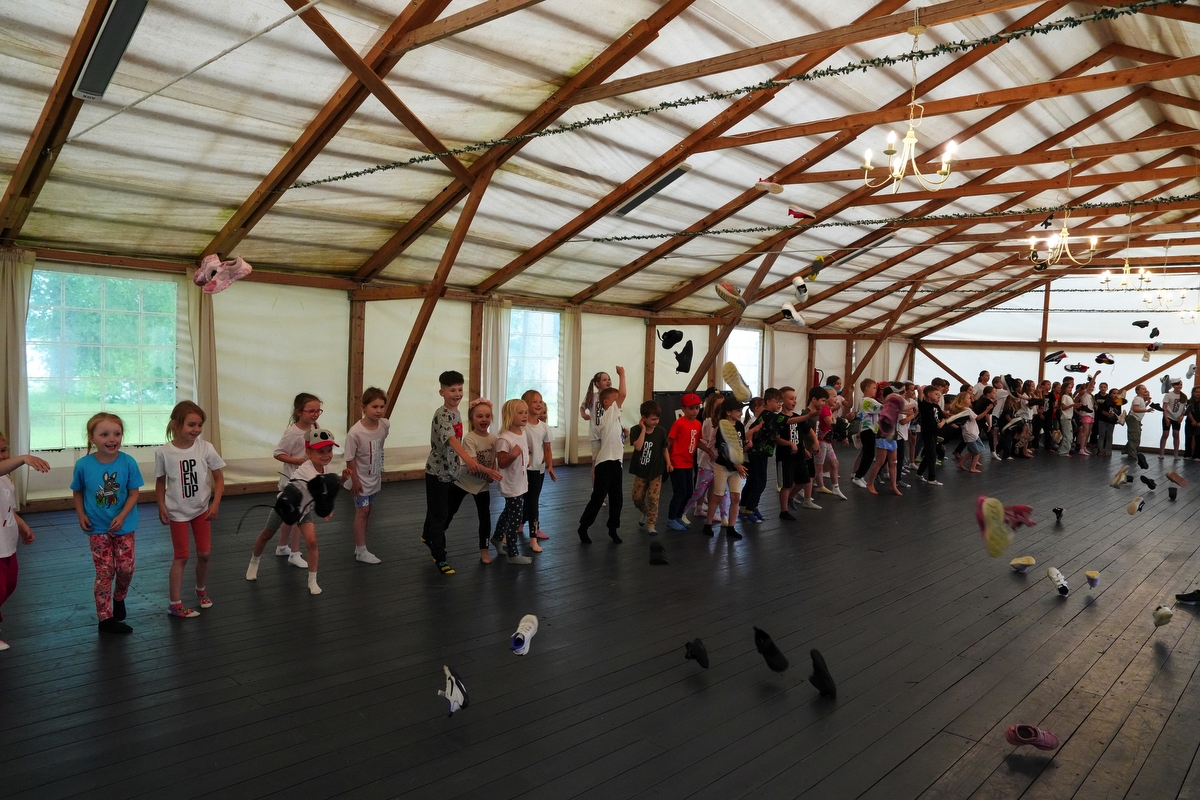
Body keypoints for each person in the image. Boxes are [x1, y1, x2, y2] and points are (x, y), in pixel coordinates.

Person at [71, 413, 143, 635]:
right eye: (104, 434)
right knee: (105, 571)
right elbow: (78, 491)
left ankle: (119, 597)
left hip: (124, 525)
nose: (112, 439)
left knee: (125, 568)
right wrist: (81, 514)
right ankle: (105, 618)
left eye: (117, 434)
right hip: (97, 527)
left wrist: (122, 516)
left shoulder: (128, 462)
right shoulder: (83, 465)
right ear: (91, 438)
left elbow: (134, 493)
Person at [154, 401, 225, 619]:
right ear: (176, 424)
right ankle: (175, 604)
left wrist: (215, 503)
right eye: (191, 425)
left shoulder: (206, 448)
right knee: (182, 556)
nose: (196, 429)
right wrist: (161, 505)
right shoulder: (164, 452)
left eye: (199, 425)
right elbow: (160, 482)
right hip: (177, 513)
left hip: (201, 510)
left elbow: (219, 478)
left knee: (205, 553)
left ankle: (200, 589)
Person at [247, 426, 337, 595]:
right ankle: (254, 562)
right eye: (321, 452)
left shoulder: (325, 468)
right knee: (266, 534)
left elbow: (325, 491)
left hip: (303, 510)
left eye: (329, 450)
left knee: (312, 541)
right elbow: (320, 491)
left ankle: (312, 580)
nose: (326, 455)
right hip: (286, 506)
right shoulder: (307, 470)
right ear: (309, 453)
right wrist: (327, 507)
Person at [422, 370, 484, 576]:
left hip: (451, 471)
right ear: (442, 392)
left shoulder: (456, 413)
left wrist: (458, 460)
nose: (457, 394)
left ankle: (427, 534)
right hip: (437, 472)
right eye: (452, 390)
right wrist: (468, 459)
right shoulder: (442, 415)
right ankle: (439, 556)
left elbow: (455, 439)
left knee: (442, 509)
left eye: (459, 389)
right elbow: (451, 439)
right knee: (440, 514)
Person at [0, 432, 49, 650]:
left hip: (7, 544)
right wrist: (23, 458)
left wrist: (22, 525)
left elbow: (7, 507)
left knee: (9, 586)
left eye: (3, 450)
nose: (2, 456)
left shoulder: (5, 478)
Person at [446, 398, 503, 563]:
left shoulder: (494, 439)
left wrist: (493, 471)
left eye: (487, 416)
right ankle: (436, 536)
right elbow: (474, 465)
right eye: (479, 416)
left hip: (482, 485)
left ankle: (484, 550)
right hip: (463, 482)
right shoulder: (469, 439)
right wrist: (490, 472)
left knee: (484, 517)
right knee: (450, 511)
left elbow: (493, 458)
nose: (484, 419)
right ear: (472, 419)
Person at [270, 393, 322, 569]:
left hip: (305, 480)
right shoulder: (292, 432)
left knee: (289, 516)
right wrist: (297, 461)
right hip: (293, 481)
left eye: (318, 411)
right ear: (299, 412)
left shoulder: (315, 427)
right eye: (311, 411)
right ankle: (294, 552)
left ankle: (282, 546)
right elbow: (278, 453)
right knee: (298, 516)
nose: (315, 414)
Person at [579, 366, 627, 543]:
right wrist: (622, 375)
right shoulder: (607, 416)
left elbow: (617, 438)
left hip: (616, 463)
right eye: (615, 400)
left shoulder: (614, 419)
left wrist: (624, 433)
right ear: (607, 403)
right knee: (598, 498)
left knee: (617, 500)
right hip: (605, 463)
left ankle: (613, 529)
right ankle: (583, 527)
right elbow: (623, 394)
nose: (618, 403)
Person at [343, 387, 390, 564]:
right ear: (363, 407)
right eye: (374, 407)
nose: (378, 410)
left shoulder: (384, 425)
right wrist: (355, 481)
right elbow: (350, 458)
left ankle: (360, 545)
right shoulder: (355, 433)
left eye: (381, 407)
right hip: (360, 480)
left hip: (374, 478)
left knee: (368, 511)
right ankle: (362, 550)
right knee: (362, 512)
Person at [494, 399, 533, 564]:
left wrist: (526, 459)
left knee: (508, 513)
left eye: (526, 412)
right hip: (511, 484)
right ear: (510, 415)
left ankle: (497, 538)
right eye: (520, 412)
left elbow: (523, 452)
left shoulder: (522, 432)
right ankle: (512, 553)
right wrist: (513, 455)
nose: (525, 415)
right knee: (516, 518)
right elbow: (502, 463)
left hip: (520, 481)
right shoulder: (504, 438)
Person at [705, 397, 748, 540]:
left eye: (741, 410)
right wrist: (737, 465)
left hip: (736, 468)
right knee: (717, 496)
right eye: (738, 411)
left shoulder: (739, 426)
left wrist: (746, 446)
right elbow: (724, 451)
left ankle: (731, 527)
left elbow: (740, 444)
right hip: (723, 467)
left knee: (736, 497)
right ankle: (708, 524)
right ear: (728, 412)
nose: (741, 413)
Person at [781, 387, 828, 516]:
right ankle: (786, 509)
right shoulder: (796, 416)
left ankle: (794, 497)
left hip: (803, 452)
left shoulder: (802, 415)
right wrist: (803, 447)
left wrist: (816, 441)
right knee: (788, 482)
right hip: (791, 454)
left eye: (795, 398)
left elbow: (808, 429)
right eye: (791, 398)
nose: (794, 401)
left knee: (806, 477)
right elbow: (792, 428)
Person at [742, 388, 784, 521]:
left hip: (761, 453)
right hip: (756, 454)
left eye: (781, 402)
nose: (780, 404)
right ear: (768, 402)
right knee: (759, 482)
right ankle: (749, 507)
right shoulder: (766, 416)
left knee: (756, 481)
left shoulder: (767, 417)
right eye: (778, 401)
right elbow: (748, 434)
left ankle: (752, 506)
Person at [630, 401, 671, 536]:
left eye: (657, 419)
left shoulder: (661, 431)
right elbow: (638, 447)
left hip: (656, 471)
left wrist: (668, 462)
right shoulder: (635, 430)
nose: (656, 422)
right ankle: (645, 512)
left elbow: (664, 449)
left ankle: (651, 524)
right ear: (644, 418)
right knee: (637, 497)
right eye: (653, 419)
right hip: (641, 471)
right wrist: (643, 430)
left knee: (653, 498)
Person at [687, 392, 728, 526]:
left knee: (716, 487)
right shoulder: (710, 421)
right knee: (701, 488)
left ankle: (713, 511)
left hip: (717, 459)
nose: (721, 406)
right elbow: (710, 441)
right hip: (708, 458)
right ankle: (684, 511)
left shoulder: (720, 421)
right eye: (719, 404)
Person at [520, 390, 555, 543]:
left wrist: (550, 466)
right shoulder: (522, 426)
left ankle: (529, 525)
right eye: (534, 401)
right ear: (526, 404)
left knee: (533, 499)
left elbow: (547, 449)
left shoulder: (544, 427)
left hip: (538, 470)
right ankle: (530, 527)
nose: (539, 404)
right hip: (523, 470)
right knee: (527, 499)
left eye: (540, 401)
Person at [666, 393, 703, 531]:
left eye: (697, 408)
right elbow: (669, 442)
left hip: (688, 463)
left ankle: (678, 516)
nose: (695, 411)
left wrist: (709, 451)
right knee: (680, 492)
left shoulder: (698, 424)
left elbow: (697, 441)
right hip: (677, 462)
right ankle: (671, 519)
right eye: (691, 408)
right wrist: (667, 461)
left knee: (688, 492)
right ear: (683, 409)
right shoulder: (678, 423)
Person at [580, 371, 612, 485]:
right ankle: (596, 488)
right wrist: (583, 414)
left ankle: (606, 487)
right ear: (597, 383)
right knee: (596, 462)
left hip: (608, 435)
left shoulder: (612, 397)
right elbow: (582, 407)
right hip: (596, 436)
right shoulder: (593, 397)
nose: (608, 381)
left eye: (608, 379)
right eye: (604, 380)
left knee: (608, 463)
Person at [851, 379, 882, 488]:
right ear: (867, 388)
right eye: (874, 388)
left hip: (868, 430)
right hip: (868, 430)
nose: (875, 390)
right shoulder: (868, 401)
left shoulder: (865, 401)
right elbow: (883, 408)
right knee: (869, 455)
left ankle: (859, 475)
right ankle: (858, 476)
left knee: (867, 454)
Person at [916, 386, 945, 485]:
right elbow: (920, 392)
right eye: (936, 394)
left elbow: (943, 418)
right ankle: (931, 478)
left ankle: (920, 472)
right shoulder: (924, 405)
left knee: (930, 454)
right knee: (932, 454)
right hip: (927, 432)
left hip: (935, 432)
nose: (938, 397)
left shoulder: (936, 407)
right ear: (929, 394)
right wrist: (918, 388)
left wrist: (941, 423)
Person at [1160, 378, 1186, 457]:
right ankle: (1161, 452)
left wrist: (1182, 416)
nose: (1179, 386)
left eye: (1180, 385)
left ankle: (1176, 453)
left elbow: (1184, 408)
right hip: (1168, 416)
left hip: (1177, 418)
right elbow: (1164, 407)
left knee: (1176, 435)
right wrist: (1166, 418)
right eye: (1177, 385)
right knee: (1165, 434)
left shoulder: (1184, 396)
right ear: (1173, 386)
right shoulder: (1168, 395)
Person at [1125, 384, 1150, 462]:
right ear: (1137, 391)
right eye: (1143, 389)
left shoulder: (1141, 399)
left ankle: (1128, 451)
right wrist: (1147, 410)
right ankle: (1132, 454)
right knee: (1134, 437)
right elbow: (1135, 409)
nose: (1145, 390)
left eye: (1145, 388)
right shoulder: (1137, 399)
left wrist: (1148, 402)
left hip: (1137, 420)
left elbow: (1141, 408)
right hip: (1133, 419)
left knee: (1135, 436)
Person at [1057, 377, 1076, 456]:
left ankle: (1063, 450)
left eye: (1071, 387)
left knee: (1069, 436)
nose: (1070, 389)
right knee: (1067, 436)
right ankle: (1063, 452)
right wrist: (1073, 405)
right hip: (1065, 418)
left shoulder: (1069, 397)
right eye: (1068, 387)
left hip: (1068, 418)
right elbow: (1063, 407)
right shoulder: (1064, 396)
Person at [1186, 386, 1200, 460]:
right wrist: (1193, 421)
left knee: (1198, 439)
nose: (1198, 394)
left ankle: (1197, 455)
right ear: (1193, 393)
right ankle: (1187, 454)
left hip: (1199, 422)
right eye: (1196, 392)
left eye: (1199, 392)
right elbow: (1188, 412)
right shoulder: (1189, 401)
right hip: (1190, 421)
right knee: (1188, 438)